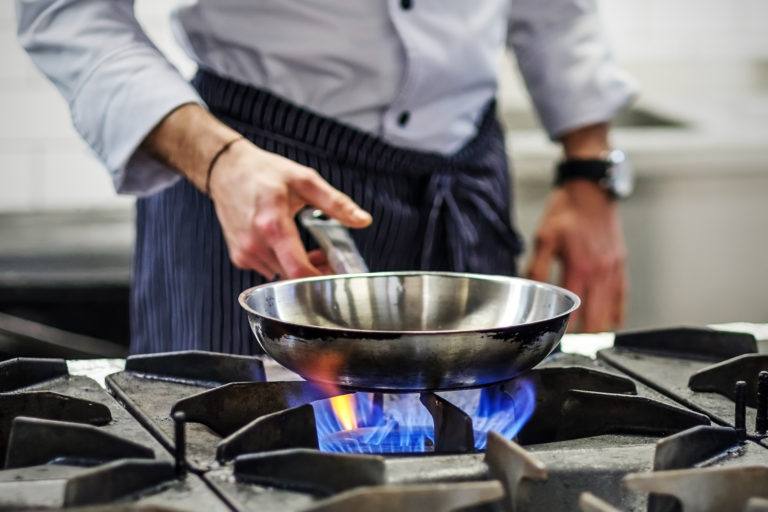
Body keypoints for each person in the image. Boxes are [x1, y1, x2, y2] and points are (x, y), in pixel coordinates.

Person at [16, 1, 637, 354]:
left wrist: (588, 167)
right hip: (251, 177)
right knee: (229, 465)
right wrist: (217, 158)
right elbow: (69, 13)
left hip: (463, 178)